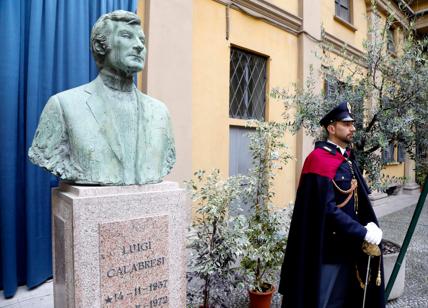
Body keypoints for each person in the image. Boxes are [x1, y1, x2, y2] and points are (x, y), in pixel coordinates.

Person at [28, 10, 175, 185]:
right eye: (127, 36)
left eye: (142, 40)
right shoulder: (63, 105)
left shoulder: (159, 112)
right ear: (100, 46)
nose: (139, 46)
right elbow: (46, 155)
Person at [279, 102, 385, 308]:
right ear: (331, 128)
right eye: (346, 124)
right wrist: (361, 230)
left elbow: (357, 201)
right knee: (324, 301)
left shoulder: (345, 158)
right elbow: (326, 210)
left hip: (350, 246)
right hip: (328, 248)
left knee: (343, 301)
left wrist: (369, 223)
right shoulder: (318, 160)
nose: (353, 128)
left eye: (353, 124)